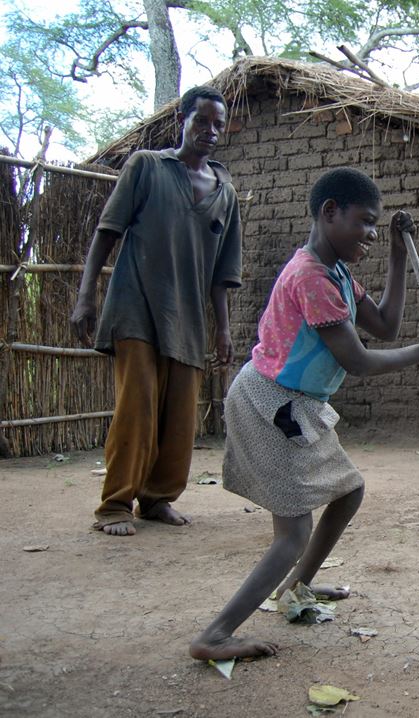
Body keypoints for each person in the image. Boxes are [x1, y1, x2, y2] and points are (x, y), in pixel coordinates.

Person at [189, 167, 419, 660]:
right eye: (364, 223)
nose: (370, 234)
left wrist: (397, 252)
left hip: (298, 406)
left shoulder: (340, 276)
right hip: (271, 404)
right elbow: (359, 360)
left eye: (376, 226)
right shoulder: (311, 277)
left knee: (348, 491)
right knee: (293, 533)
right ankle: (214, 635)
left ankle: (296, 588)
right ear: (330, 213)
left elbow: (386, 326)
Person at [70, 85, 242, 537]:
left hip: (188, 318)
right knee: (137, 406)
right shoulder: (147, 166)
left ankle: (157, 498)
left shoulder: (225, 192)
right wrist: (86, 296)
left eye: (218, 125)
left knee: (182, 416)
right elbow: (107, 232)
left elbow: (223, 274)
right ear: (182, 120)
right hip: (136, 305)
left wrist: (222, 329)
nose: (210, 131)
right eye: (201, 121)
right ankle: (114, 504)